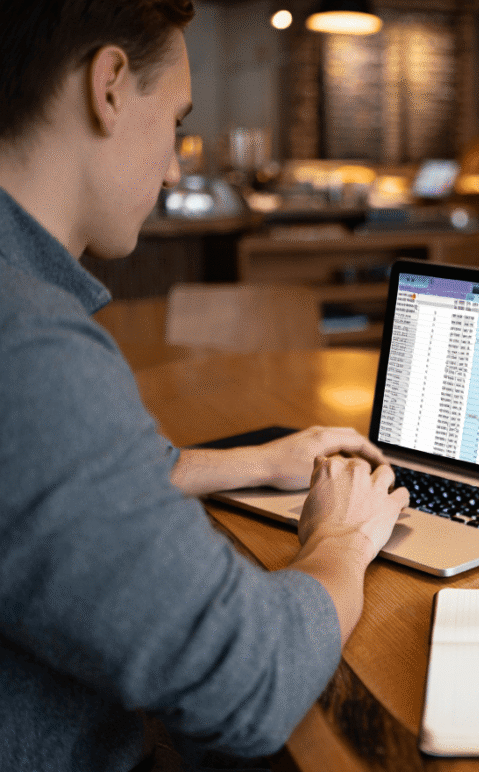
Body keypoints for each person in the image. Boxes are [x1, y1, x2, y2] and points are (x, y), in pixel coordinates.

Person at [0, 3, 408, 771]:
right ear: (110, 85)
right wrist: (341, 542)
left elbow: (36, 482)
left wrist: (255, 464)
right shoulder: (29, 346)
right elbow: (250, 683)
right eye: (178, 123)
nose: (176, 167)